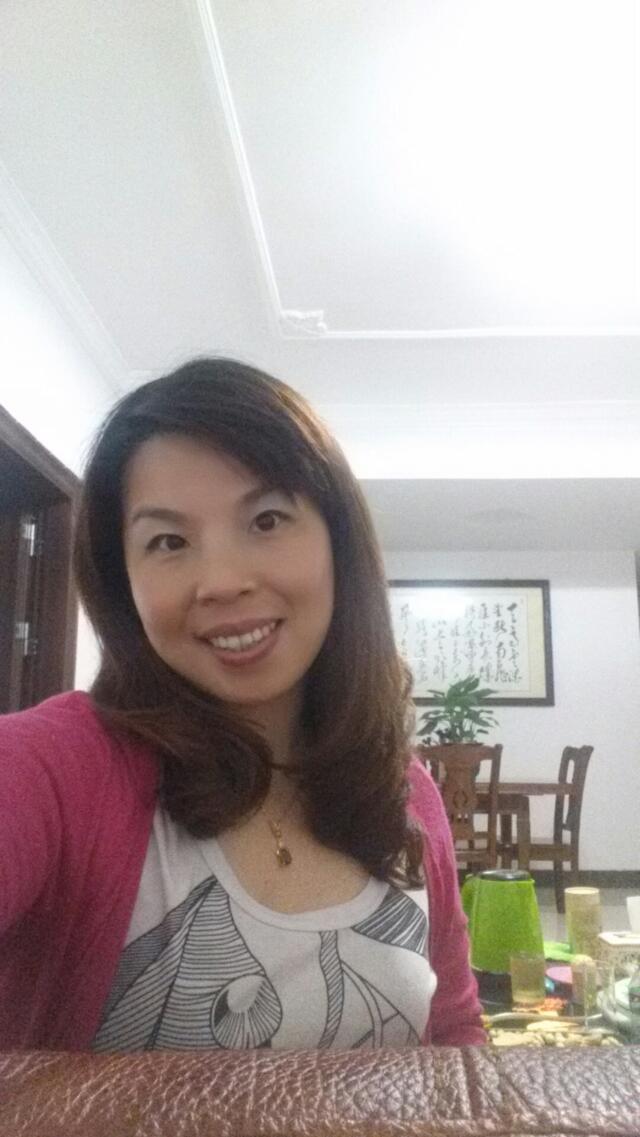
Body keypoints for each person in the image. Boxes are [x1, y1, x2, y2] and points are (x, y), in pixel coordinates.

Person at [0, 357, 485, 1051]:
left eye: (266, 519)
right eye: (169, 541)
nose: (222, 581)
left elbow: (456, 1040)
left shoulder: (405, 793)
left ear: (337, 543)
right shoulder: (56, 767)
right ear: (123, 583)